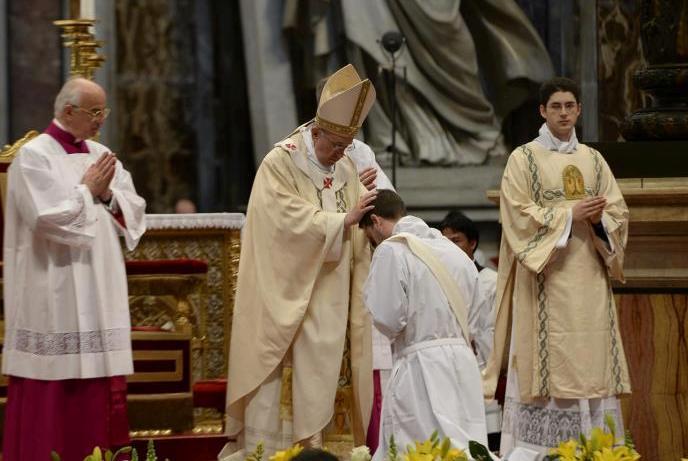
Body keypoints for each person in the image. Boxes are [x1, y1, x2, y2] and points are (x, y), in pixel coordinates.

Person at [220, 64, 377, 460]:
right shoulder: (281, 162)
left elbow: (356, 224)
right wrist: (343, 220)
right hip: (290, 295)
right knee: (291, 375)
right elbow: (281, 223)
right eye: (335, 144)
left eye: (347, 146)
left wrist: (366, 227)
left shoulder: (344, 167)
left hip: (334, 298)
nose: (342, 153)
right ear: (316, 130)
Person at [482, 77, 631, 459]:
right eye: (556, 107)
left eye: (570, 106)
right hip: (547, 277)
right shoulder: (523, 158)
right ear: (542, 111)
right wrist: (569, 215)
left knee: (590, 367)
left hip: (590, 278)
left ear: (579, 109)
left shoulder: (594, 160)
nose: (564, 113)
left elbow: (617, 211)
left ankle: (595, 450)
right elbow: (516, 213)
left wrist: (597, 222)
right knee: (549, 368)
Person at [2, 77, 147, 460]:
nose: (101, 120)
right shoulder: (33, 156)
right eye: (95, 112)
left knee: (97, 382)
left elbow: (133, 206)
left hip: (98, 284)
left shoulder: (101, 153)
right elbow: (45, 218)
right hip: (52, 282)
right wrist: (87, 191)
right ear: (69, 112)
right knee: (51, 386)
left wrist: (108, 194)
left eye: (104, 111)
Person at [360, 190, 489, 460]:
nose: (372, 243)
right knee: (465, 448)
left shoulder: (392, 250)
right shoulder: (456, 254)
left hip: (421, 366)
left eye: (369, 236)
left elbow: (388, 318)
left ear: (375, 222)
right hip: (463, 364)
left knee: (418, 448)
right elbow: (476, 317)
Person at [316, 74, 394, 453]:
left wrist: (369, 193)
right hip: (320, 277)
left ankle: (367, 447)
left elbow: (389, 210)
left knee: (367, 367)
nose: (343, 146)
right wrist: (347, 204)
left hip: (358, 272)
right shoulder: (297, 151)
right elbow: (294, 217)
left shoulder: (362, 154)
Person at [439, 210, 497, 368]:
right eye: (445, 241)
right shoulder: (438, 281)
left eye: (456, 240)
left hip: (484, 364)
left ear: (472, 243)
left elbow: (494, 330)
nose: (450, 247)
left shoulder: (492, 281)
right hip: (448, 363)